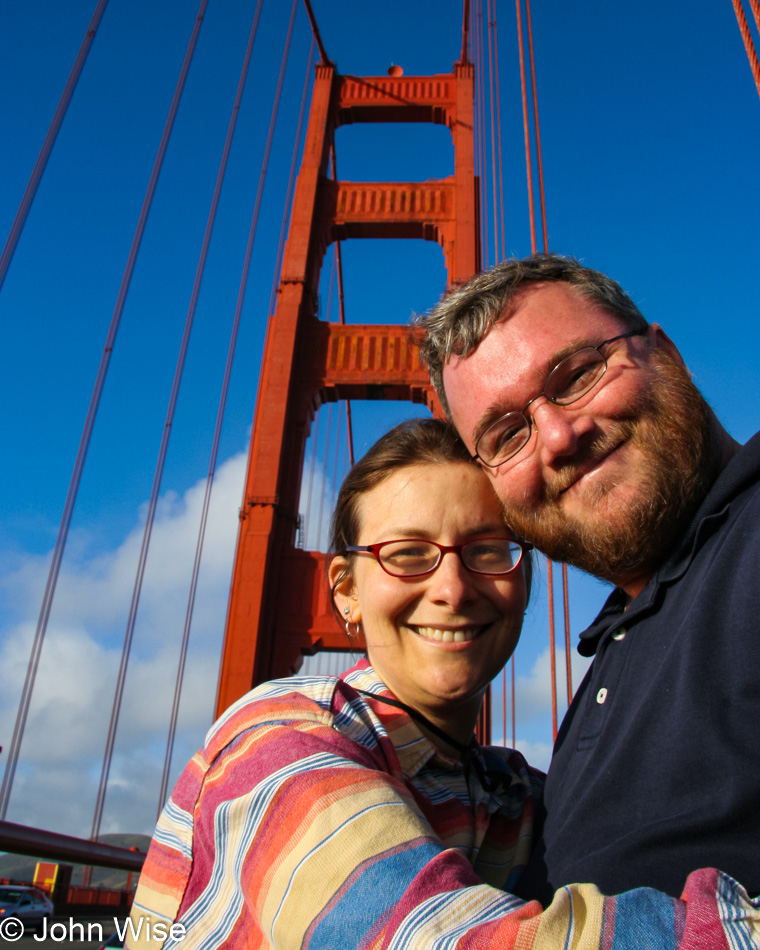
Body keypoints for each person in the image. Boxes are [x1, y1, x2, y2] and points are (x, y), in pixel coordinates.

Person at [128, 419, 758, 950]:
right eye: (406, 554)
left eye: (488, 550)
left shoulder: (515, 796)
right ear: (346, 591)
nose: (453, 590)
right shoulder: (280, 738)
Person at [415, 253, 760, 903]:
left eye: (577, 375)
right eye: (507, 434)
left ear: (667, 353)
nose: (557, 436)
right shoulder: (604, 668)